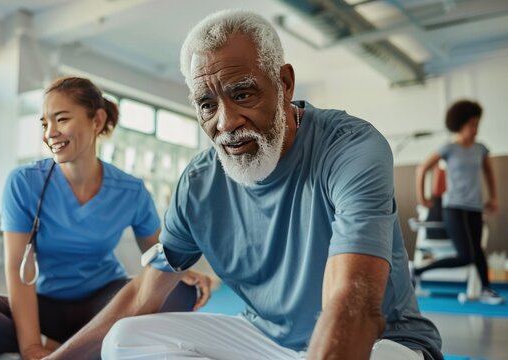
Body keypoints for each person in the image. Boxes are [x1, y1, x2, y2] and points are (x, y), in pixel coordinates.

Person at [39, 9, 443, 360]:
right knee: (125, 340)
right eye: (207, 105)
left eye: (243, 93)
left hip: (377, 341)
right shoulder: (198, 183)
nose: (226, 123)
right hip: (263, 339)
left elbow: (352, 302)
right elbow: (145, 293)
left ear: (284, 84)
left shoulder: (350, 148)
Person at [0, 76, 213, 359]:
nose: (50, 133)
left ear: (96, 120)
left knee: (182, 292)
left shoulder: (131, 190)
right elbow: (18, 271)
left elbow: (157, 252)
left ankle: (75, 346)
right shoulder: (24, 181)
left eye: (62, 118)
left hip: (105, 304)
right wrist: (30, 345)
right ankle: (83, 347)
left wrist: (182, 272)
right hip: (44, 308)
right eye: (45, 123)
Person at [414, 99, 503, 305]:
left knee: (478, 252)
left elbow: (489, 172)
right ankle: (418, 270)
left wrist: (494, 197)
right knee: (466, 256)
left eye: (477, 124)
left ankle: (485, 290)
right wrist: (422, 197)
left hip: (474, 206)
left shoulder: (481, 149)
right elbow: (422, 169)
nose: (475, 128)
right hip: (453, 207)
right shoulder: (449, 148)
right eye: (471, 124)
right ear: (460, 124)